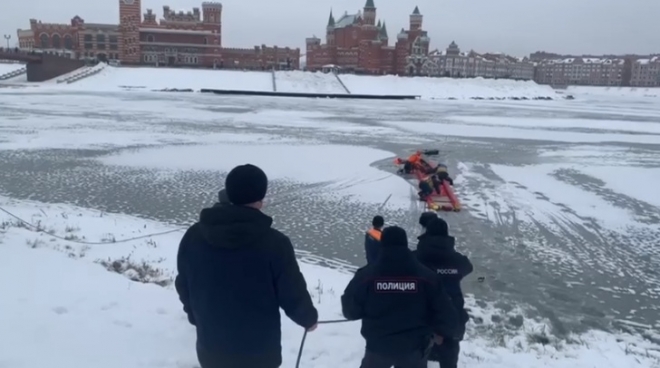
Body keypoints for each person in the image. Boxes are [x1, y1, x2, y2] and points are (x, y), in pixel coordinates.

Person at [175, 164, 319, 368]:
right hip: (259, 353)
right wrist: (308, 319)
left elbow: (184, 284)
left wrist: (195, 316)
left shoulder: (194, 235)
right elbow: (291, 292)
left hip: (211, 348)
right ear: (261, 199)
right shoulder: (275, 243)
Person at [341, 226, 460, 368]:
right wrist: (445, 333)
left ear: (382, 244)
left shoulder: (366, 276)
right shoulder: (427, 277)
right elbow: (446, 313)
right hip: (415, 349)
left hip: (377, 347)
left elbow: (350, 311)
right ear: (405, 243)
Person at [414, 217, 473, 368]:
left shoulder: (416, 257)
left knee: (415, 357)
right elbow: (468, 267)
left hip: (422, 317)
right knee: (449, 359)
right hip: (451, 319)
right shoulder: (457, 260)